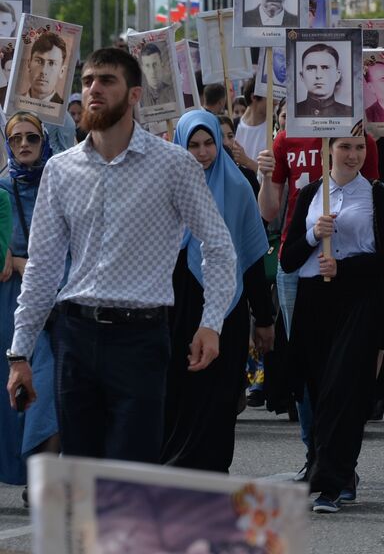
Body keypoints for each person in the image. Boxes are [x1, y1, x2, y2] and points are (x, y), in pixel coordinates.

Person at [7, 48, 237, 463]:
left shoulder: (173, 165)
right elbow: (42, 267)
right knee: (82, 474)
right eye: (88, 80)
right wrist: (20, 353)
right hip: (75, 337)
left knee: (131, 473)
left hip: (141, 339)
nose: (94, 89)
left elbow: (219, 247)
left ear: (133, 95)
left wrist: (211, 322)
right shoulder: (60, 170)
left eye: (106, 80)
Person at [281, 129, 384, 512]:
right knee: (318, 391)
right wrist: (316, 234)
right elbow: (288, 259)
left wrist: (346, 267)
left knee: (342, 389)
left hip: (359, 300)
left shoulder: (377, 194)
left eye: (359, 147)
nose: (353, 155)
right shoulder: (309, 195)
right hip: (315, 301)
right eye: (345, 147)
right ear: (327, 149)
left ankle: (329, 484)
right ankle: (338, 470)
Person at [163, 110, 275, 471]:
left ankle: (211, 474)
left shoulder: (239, 185)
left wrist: (264, 317)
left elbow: (251, 257)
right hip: (175, 308)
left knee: (218, 397)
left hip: (226, 308)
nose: (202, 152)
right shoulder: (165, 186)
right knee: (176, 393)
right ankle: (174, 474)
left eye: (209, 143)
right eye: (193, 145)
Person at [0, 114, 60, 494]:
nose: (24, 145)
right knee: (16, 390)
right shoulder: (2, 188)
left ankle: (44, 475)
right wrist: (13, 256)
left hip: (58, 295)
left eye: (32, 138)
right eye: (17, 138)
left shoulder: (61, 182)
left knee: (50, 383)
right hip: (11, 301)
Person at [295, 44, 353, 119]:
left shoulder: (350, 113)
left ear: (337, 75)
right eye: (311, 68)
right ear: (302, 76)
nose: (318, 75)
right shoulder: (293, 112)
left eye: (325, 68)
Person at [19, 32, 66, 104]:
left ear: (61, 71)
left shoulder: (65, 112)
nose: (43, 71)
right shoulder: (11, 101)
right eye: (39, 61)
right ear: (29, 64)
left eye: (51, 63)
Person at [137, 42, 177, 109]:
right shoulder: (138, 97)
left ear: (161, 64)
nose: (152, 71)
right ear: (143, 68)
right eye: (147, 66)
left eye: (155, 65)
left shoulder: (173, 92)